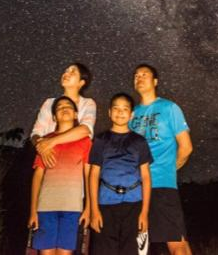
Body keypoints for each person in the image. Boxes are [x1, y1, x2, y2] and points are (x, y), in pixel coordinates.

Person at [129, 64, 193, 255]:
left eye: (144, 74)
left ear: (155, 81)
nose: (139, 78)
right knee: (139, 246)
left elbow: (186, 147)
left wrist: (168, 170)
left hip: (161, 186)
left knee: (176, 242)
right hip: (135, 188)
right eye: (136, 75)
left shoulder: (169, 107)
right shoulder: (130, 114)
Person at [89, 93, 152, 255]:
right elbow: (94, 174)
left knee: (130, 250)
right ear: (109, 112)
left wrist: (144, 213)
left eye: (125, 109)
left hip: (134, 204)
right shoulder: (100, 140)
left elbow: (145, 176)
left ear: (131, 114)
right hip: (105, 204)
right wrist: (94, 210)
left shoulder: (139, 141)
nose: (120, 112)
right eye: (116, 108)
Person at [29, 96, 92, 254]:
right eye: (59, 107)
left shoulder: (85, 141)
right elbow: (38, 176)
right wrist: (33, 211)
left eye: (68, 106)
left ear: (76, 114)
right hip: (45, 207)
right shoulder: (45, 142)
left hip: (72, 207)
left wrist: (89, 207)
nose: (64, 108)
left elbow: (88, 175)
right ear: (54, 117)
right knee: (45, 251)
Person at [31, 63, 97, 168]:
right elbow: (36, 134)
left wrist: (50, 142)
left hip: (75, 161)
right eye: (66, 70)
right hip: (48, 160)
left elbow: (85, 129)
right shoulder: (49, 103)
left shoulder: (88, 103)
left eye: (72, 71)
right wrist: (42, 148)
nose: (66, 73)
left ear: (81, 82)